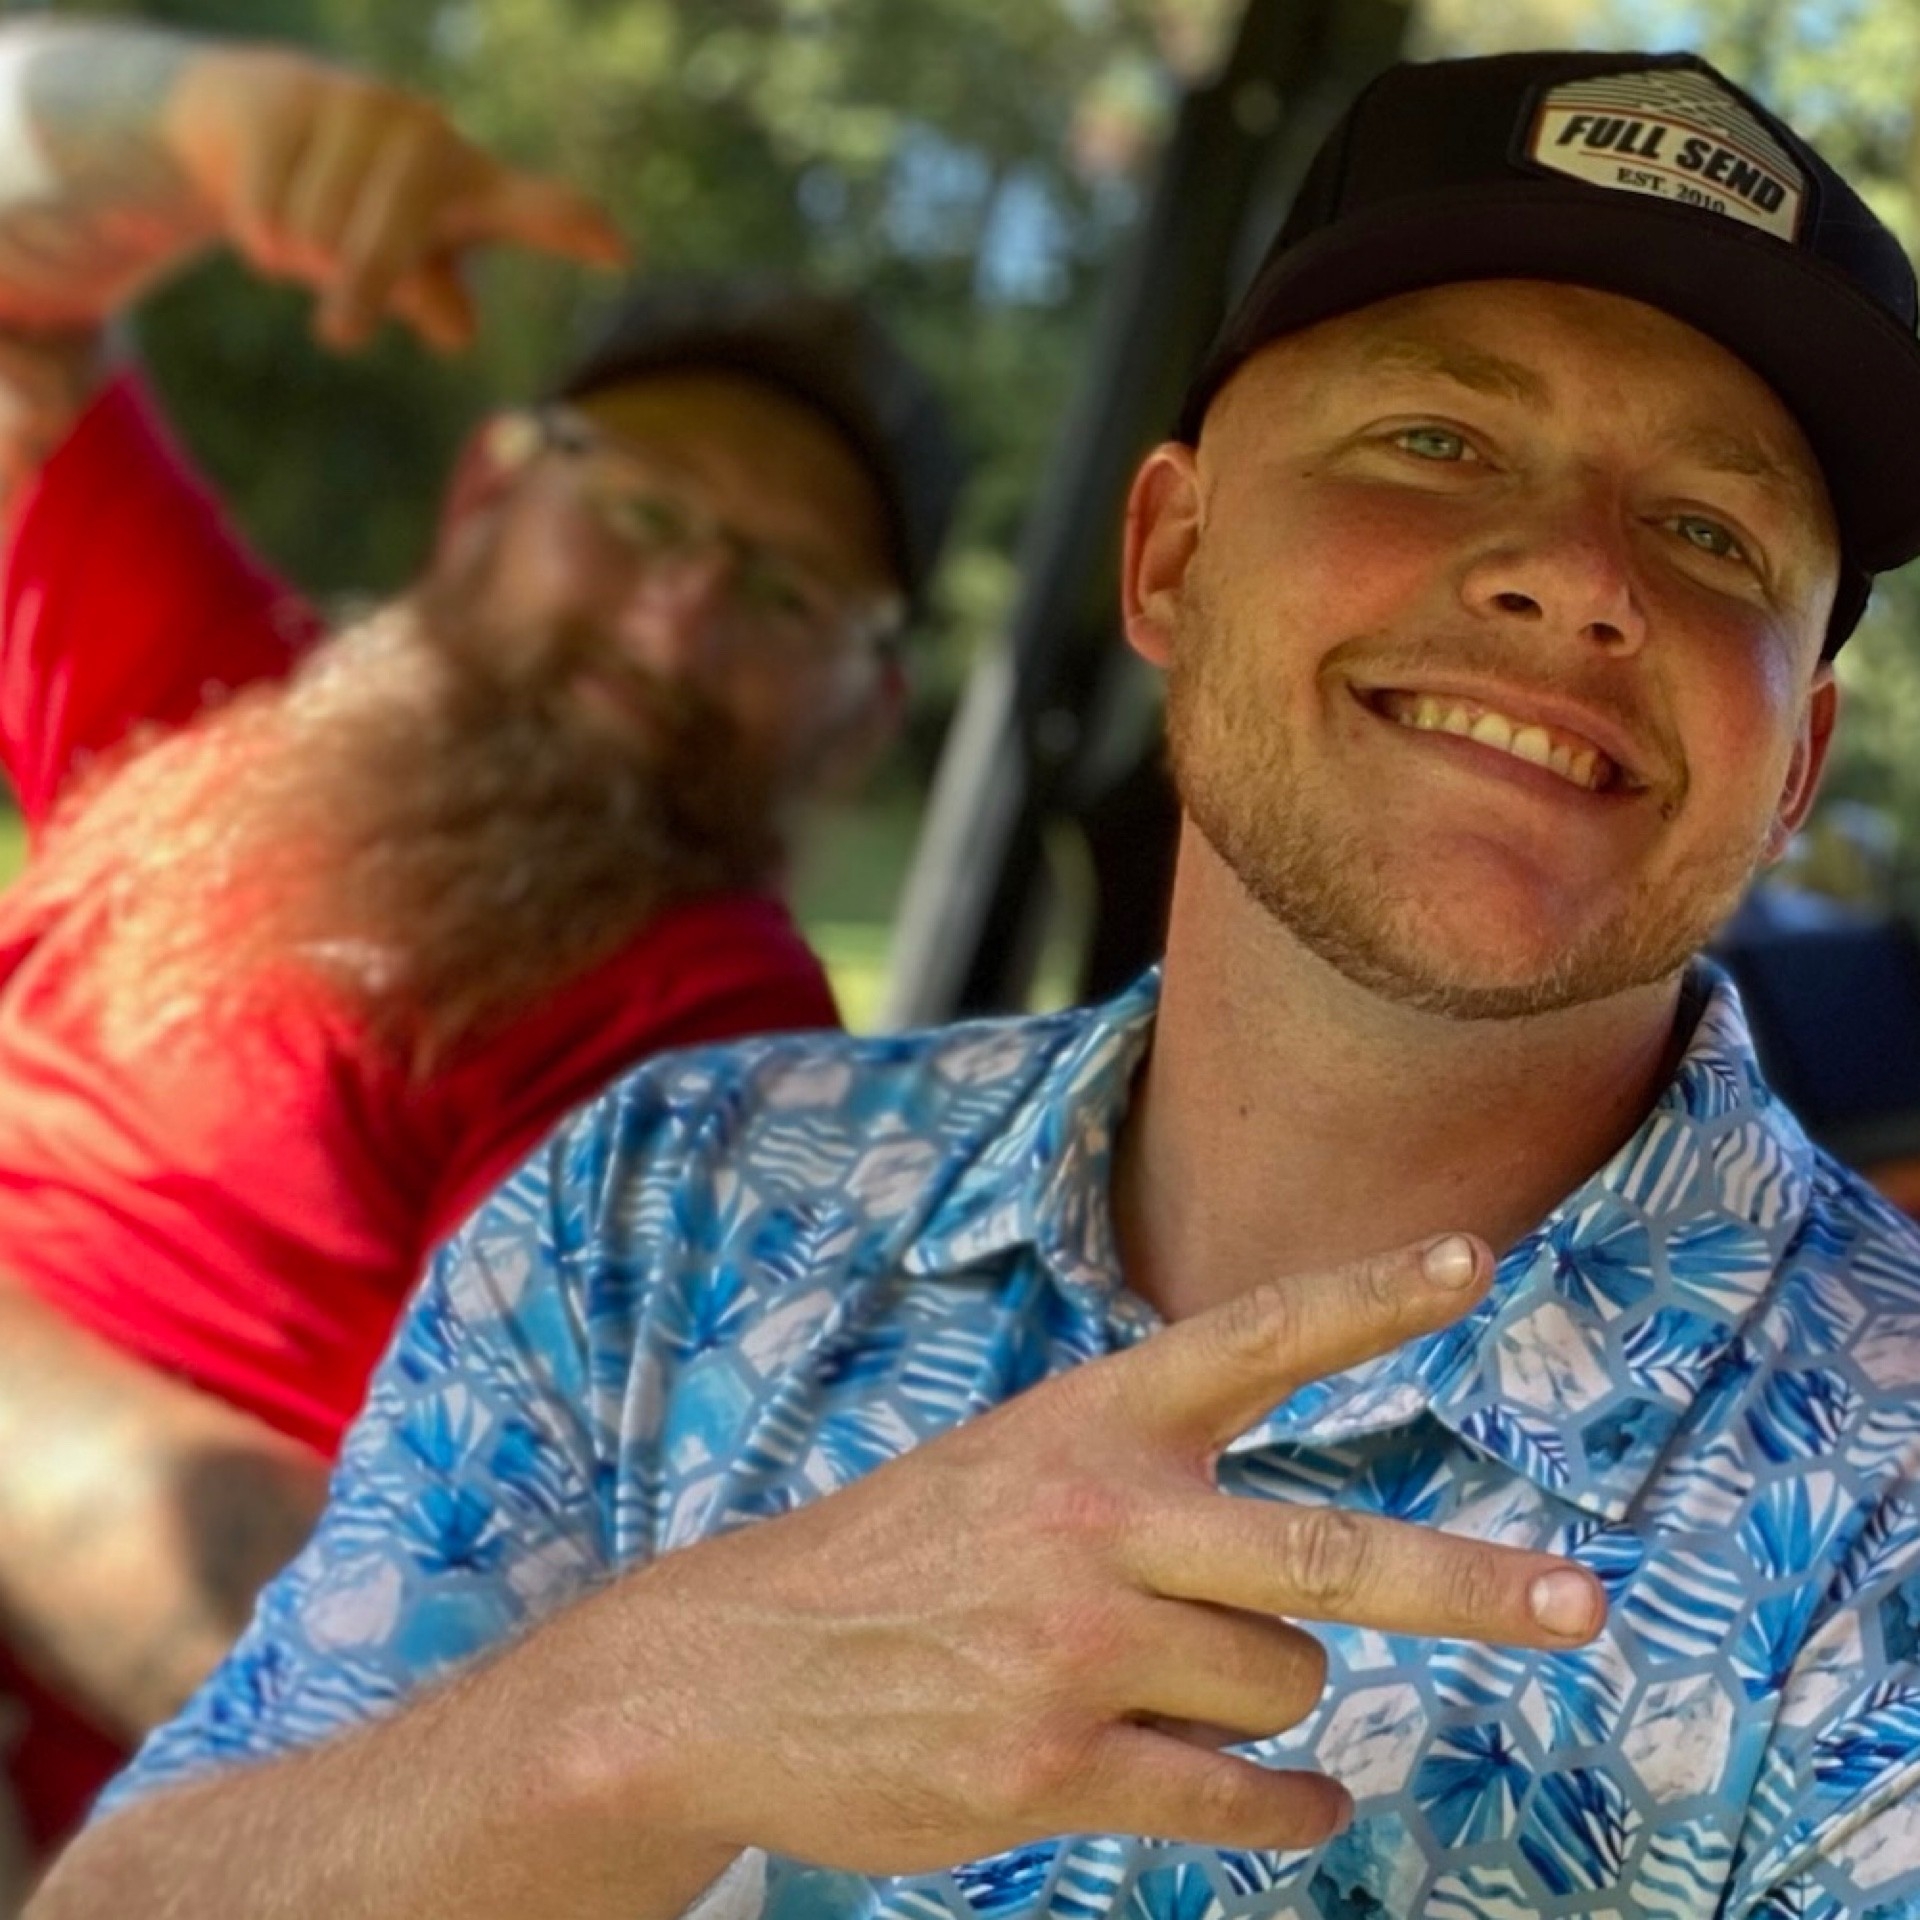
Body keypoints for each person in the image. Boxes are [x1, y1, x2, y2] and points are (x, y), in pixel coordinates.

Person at [35, 45, 1920, 1919]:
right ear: (1170, 557)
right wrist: (642, 1717)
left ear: (1796, 769)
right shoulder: (669, 1202)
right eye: (1436, 441)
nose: (1580, 578)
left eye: (1712, 534)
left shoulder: (1885, 1510)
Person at [0, 17, 960, 1864]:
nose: (675, 621)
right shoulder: (228, 704)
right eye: (640, 514)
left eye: (782, 596)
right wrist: (195, 126)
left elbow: (439, 1713)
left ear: (861, 716)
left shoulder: (712, 1046)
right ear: (486, 500)